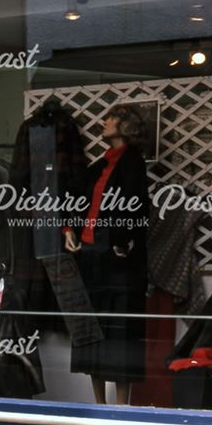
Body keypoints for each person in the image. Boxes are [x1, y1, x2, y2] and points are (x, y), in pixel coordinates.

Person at [65, 104, 149, 406]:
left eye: (112, 117)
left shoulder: (132, 164)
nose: (106, 121)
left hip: (117, 264)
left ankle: (121, 408)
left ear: (126, 126)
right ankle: (100, 406)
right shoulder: (100, 165)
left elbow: (137, 207)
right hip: (90, 258)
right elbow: (75, 198)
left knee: (119, 336)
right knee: (92, 334)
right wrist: (69, 229)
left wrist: (123, 240)